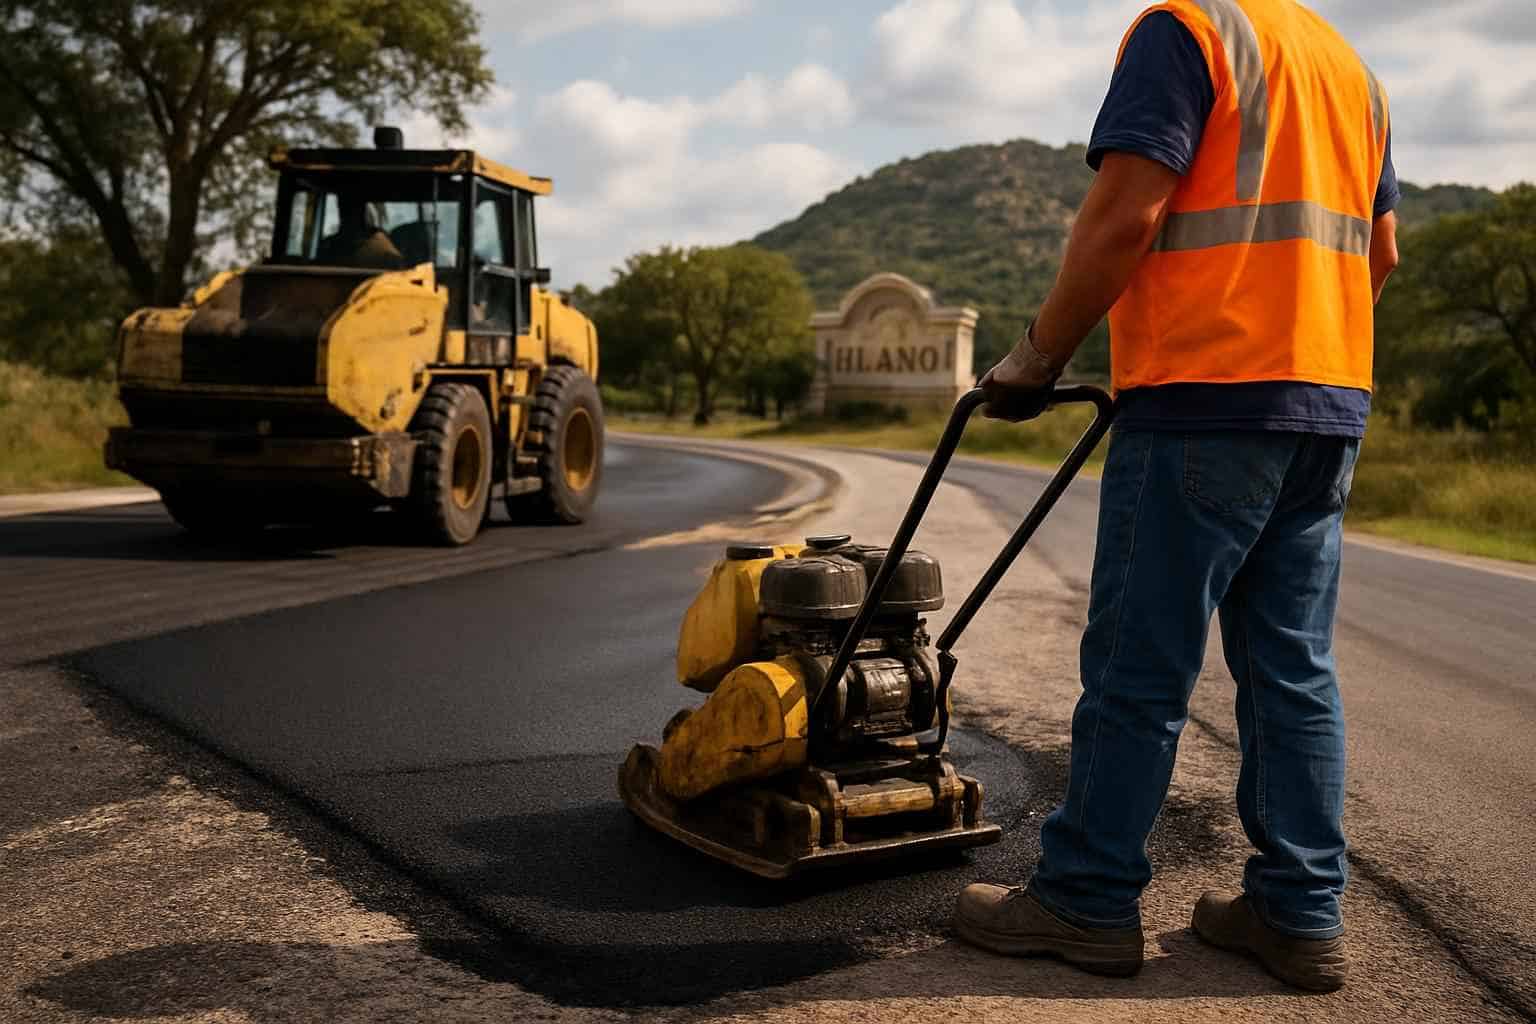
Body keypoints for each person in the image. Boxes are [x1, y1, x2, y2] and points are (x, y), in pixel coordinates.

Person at [952, 0, 1400, 994]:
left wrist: (1034, 359)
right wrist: (1297, 353)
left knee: (1139, 663)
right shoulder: (1347, 67)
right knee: (1292, 666)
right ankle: (1299, 911)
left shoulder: (1187, 30)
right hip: (1325, 405)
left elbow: (1126, 212)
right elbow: (1382, 256)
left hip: (1204, 399)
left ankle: (1084, 898)